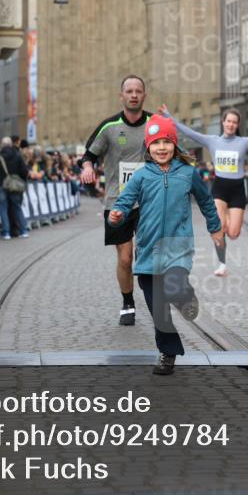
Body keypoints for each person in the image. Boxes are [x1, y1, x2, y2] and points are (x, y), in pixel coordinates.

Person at [108, 115, 223, 375]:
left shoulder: (188, 173)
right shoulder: (140, 176)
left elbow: (206, 202)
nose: (161, 147)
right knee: (158, 310)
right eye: (156, 142)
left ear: (175, 144)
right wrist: (117, 215)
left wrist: (215, 228)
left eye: (166, 142)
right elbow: (124, 202)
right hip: (147, 251)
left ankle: (185, 297)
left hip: (177, 248)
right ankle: (168, 352)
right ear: (148, 147)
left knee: (174, 285)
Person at [158, 105, 248, 277]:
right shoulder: (212, 140)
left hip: (237, 189)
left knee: (233, 233)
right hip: (219, 188)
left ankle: (226, 217)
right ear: (223, 122)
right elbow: (189, 132)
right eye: (228, 121)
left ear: (237, 125)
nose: (231, 125)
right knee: (219, 229)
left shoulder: (244, 142)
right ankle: (222, 264)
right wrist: (169, 116)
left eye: (234, 122)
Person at [79, 75, 154, 326]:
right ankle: (128, 302)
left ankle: (155, 300)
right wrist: (87, 168)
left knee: (148, 255)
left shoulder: (156, 124)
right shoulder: (109, 127)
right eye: (129, 91)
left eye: (138, 91)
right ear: (121, 96)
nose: (134, 95)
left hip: (149, 201)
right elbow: (88, 155)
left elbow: (175, 152)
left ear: (144, 95)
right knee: (125, 258)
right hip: (117, 201)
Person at [0, 136, 30, 239]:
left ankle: (6, 233)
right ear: (11, 145)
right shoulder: (17, 155)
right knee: (17, 207)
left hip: (2, 185)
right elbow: (24, 171)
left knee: (3, 208)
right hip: (15, 186)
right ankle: (23, 231)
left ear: (2, 145)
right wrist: (20, 179)